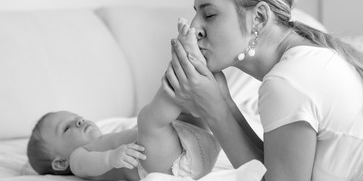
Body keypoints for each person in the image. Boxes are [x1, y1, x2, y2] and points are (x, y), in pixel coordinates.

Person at [163, 0, 363, 181]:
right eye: (196, 13)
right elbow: (271, 170)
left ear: (259, 18)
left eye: (210, 15)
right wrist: (222, 100)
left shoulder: (287, 81)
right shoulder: (306, 60)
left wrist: (213, 107)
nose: (194, 27)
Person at [26, 21, 221, 181]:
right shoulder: (79, 156)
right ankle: (182, 68)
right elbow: (87, 164)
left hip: (195, 144)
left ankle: (193, 76)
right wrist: (111, 158)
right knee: (147, 119)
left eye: (78, 118)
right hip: (164, 167)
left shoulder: (106, 138)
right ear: (60, 163)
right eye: (66, 128)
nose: (78, 122)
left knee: (182, 114)